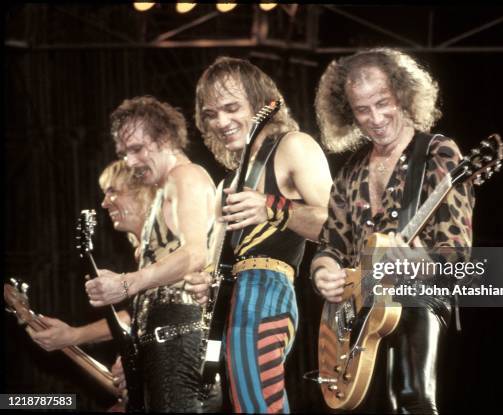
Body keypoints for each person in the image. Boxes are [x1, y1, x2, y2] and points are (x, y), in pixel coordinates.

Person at [310, 48, 475, 414]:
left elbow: (456, 249)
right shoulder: (351, 171)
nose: (375, 118)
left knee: (412, 399)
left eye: (383, 103)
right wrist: (323, 271)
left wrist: (424, 262)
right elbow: (330, 245)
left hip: (417, 297)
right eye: (362, 110)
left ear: (402, 95)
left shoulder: (438, 153)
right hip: (358, 314)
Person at [184, 57, 332, 413]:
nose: (221, 121)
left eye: (232, 108)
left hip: (266, 291)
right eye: (211, 114)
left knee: (258, 405)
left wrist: (273, 208)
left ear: (263, 104)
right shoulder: (227, 185)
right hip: (230, 305)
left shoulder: (293, 145)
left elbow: (339, 225)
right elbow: (216, 263)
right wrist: (207, 283)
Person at [84, 96, 218, 412]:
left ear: (166, 140)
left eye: (137, 149)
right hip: (164, 342)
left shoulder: (185, 177)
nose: (130, 162)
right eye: (124, 153)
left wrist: (127, 283)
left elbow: (194, 254)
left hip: (182, 339)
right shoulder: (163, 191)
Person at [27, 160, 152, 400]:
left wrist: (74, 336)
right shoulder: (142, 252)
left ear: (141, 191)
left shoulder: (164, 246)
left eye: (112, 191)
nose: (104, 203)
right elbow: (138, 316)